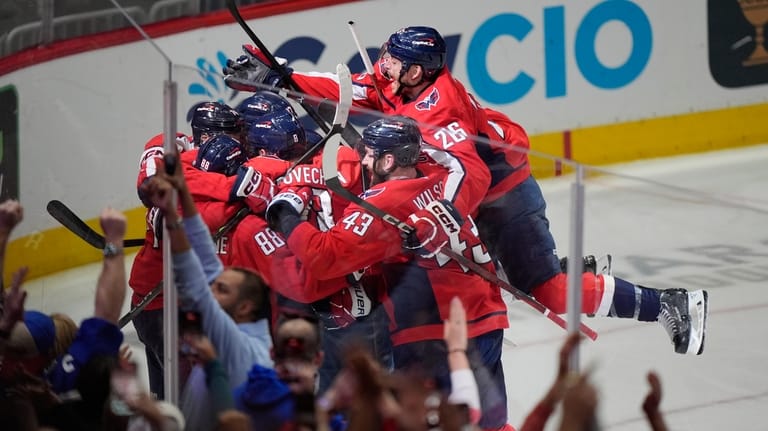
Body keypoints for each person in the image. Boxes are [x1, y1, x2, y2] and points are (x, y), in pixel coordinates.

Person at [223, 26, 708, 356]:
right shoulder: (406, 83)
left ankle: (671, 303)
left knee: (547, 291)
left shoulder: (439, 107)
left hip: (503, 197)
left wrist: (445, 215)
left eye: (395, 59)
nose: (385, 63)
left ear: (417, 72)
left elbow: (466, 171)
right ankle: (545, 264)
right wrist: (277, 75)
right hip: (475, 193)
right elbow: (345, 90)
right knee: (470, 268)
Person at [265, 116, 510, 430]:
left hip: (432, 333)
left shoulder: (383, 204)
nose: (364, 161)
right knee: (490, 422)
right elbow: (472, 165)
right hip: (486, 317)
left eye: (370, 154)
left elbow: (324, 257)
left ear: (390, 159)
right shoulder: (441, 177)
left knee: (428, 423)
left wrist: (285, 215)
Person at [141, 149, 273, 431]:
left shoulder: (234, 344)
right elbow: (207, 260)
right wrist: (182, 195)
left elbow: (194, 281)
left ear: (244, 307)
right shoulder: (249, 328)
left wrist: (170, 215)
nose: (213, 290)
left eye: (222, 290)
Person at [129, 100, 245, 398]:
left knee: (166, 396)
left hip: (163, 302)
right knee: (187, 402)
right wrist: (239, 190)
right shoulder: (175, 154)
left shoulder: (192, 165)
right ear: (207, 136)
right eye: (233, 134)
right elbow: (150, 184)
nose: (240, 141)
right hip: (163, 308)